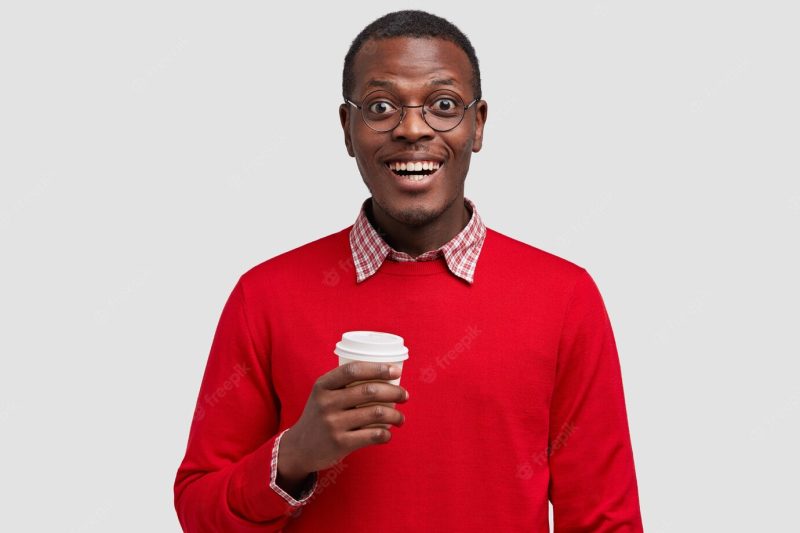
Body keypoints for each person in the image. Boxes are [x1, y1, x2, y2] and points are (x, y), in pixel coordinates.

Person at [174, 9, 643, 532]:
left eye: (443, 105)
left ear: (478, 124)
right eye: (380, 107)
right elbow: (200, 511)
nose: (413, 128)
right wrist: (295, 455)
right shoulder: (265, 296)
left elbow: (606, 521)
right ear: (347, 130)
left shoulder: (564, 298)